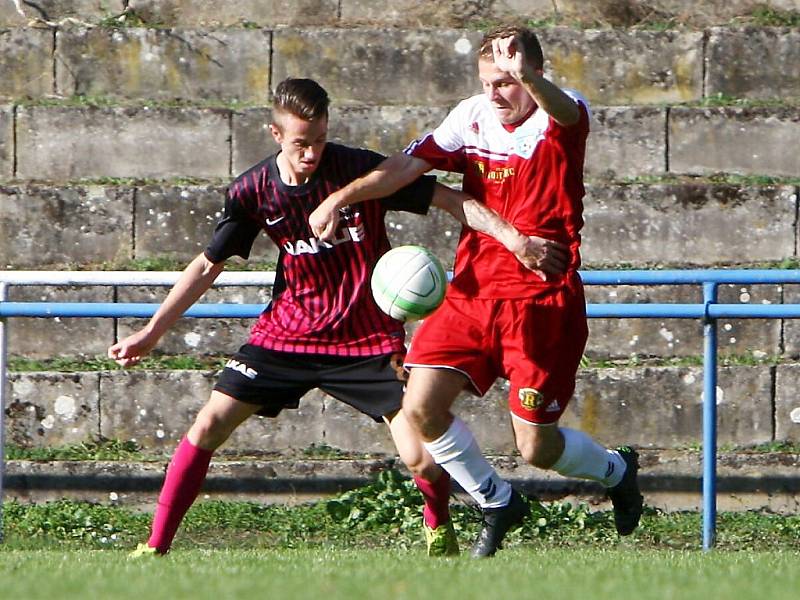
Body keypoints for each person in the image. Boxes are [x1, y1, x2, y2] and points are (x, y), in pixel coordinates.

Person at [110, 77, 548, 559]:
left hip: (367, 340)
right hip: (286, 334)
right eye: (301, 143)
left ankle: (438, 525)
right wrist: (152, 331)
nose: (312, 152)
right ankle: (155, 545)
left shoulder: (357, 171)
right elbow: (207, 264)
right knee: (208, 423)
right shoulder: (254, 190)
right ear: (276, 135)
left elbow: (446, 198)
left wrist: (512, 240)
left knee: (422, 457)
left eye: (319, 139)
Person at [309, 26, 644, 558]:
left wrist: (529, 79)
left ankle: (615, 470)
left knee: (536, 447)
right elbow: (404, 168)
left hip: (541, 302)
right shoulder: (471, 116)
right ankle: (495, 500)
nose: (496, 93)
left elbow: (566, 112)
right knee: (419, 407)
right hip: (470, 294)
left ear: (533, 76)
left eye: (507, 82)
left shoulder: (560, 116)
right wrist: (339, 199)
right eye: (489, 81)